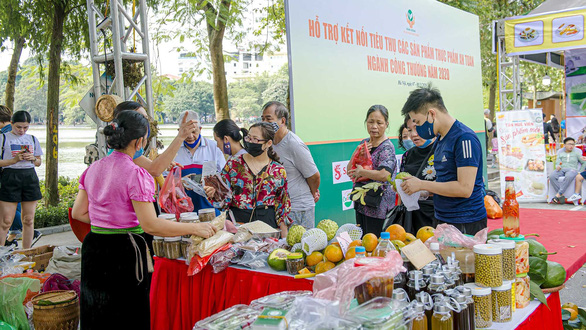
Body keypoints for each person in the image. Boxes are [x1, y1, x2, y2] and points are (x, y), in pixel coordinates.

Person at [72, 110, 217, 329]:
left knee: (97, 312)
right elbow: (150, 224)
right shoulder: (135, 173)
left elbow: (79, 213)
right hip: (124, 250)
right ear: (140, 140)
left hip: (94, 248)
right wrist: (196, 228)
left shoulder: (94, 168)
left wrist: (108, 218)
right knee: (127, 313)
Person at [400, 86, 487, 235]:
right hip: (442, 219)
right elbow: (444, 182)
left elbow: (464, 189)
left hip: (465, 222)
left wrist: (421, 183)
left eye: (418, 123)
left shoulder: (464, 139)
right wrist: (419, 190)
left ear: (432, 114)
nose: (417, 130)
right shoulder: (440, 139)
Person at [204, 122, 291, 237]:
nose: (250, 142)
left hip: (267, 227)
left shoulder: (278, 170)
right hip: (237, 225)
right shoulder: (233, 164)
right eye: (248, 137)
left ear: (268, 143)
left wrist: (284, 239)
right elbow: (223, 200)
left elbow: (282, 206)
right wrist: (214, 193)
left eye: (255, 139)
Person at [261, 102, 320, 229]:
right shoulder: (269, 142)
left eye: (268, 119)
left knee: (300, 247)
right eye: (262, 119)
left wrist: (312, 192)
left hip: (299, 209)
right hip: (280, 208)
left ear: (282, 121)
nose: (264, 123)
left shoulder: (294, 144)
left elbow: (314, 176)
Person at [111, 101, 199, 177]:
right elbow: (155, 169)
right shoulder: (126, 152)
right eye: (141, 118)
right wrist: (181, 136)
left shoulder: (123, 153)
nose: (146, 123)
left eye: (146, 118)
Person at [348, 105, 397, 235]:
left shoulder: (387, 148)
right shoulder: (364, 143)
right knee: (362, 242)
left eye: (379, 123)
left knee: (375, 244)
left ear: (386, 124)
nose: (374, 126)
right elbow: (350, 171)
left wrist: (362, 172)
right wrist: (357, 153)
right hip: (362, 203)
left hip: (378, 207)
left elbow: (384, 175)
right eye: (370, 122)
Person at [0, 111, 43, 249]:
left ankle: (26, 254)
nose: (22, 130)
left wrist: (33, 159)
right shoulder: (3, 138)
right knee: (6, 221)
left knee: (28, 219)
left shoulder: (32, 139)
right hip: (10, 176)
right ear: (11, 123)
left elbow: (38, 162)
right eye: (19, 127)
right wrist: (13, 160)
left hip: (29, 177)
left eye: (25, 127)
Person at [173, 111, 226, 215]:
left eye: (194, 132)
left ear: (200, 129)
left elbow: (225, 178)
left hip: (210, 209)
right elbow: (164, 182)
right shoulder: (173, 150)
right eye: (186, 132)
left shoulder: (214, 147)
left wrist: (215, 187)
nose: (190, 136)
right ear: (179, 131)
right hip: (182, 211)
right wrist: (180, 182)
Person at [398, 117, 436, 234]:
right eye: (409, 130)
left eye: (417, 128)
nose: (413, 134)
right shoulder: (408, 155)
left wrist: (423, 190)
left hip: (434, 217)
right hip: (411, 218)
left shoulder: (441, 150)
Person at [549, 137, 585, 204]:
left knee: (568, 176)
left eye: (573, 144)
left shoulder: (576, 153)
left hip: (572, 170)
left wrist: (580, 171)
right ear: (564, 145)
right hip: (562, 169)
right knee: (552, 176)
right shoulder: (561, 153)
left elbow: (584, 162)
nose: (571, 146)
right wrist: (558, 166)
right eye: (569, 144)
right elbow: (557, 162)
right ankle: (560, 194)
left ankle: (558, 194)